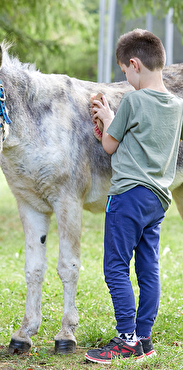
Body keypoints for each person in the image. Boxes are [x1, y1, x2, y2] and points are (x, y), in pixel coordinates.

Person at [85, 29, 183, 364]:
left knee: (115, 267)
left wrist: (106, 118)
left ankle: (125, 339)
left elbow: (110, 145)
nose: (125, 79)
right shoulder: (177, 105)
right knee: (148, 268)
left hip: (127, 195)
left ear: (134, 64)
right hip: (158, 199)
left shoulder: (133, 100)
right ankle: (144, 339)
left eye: (124, 73)